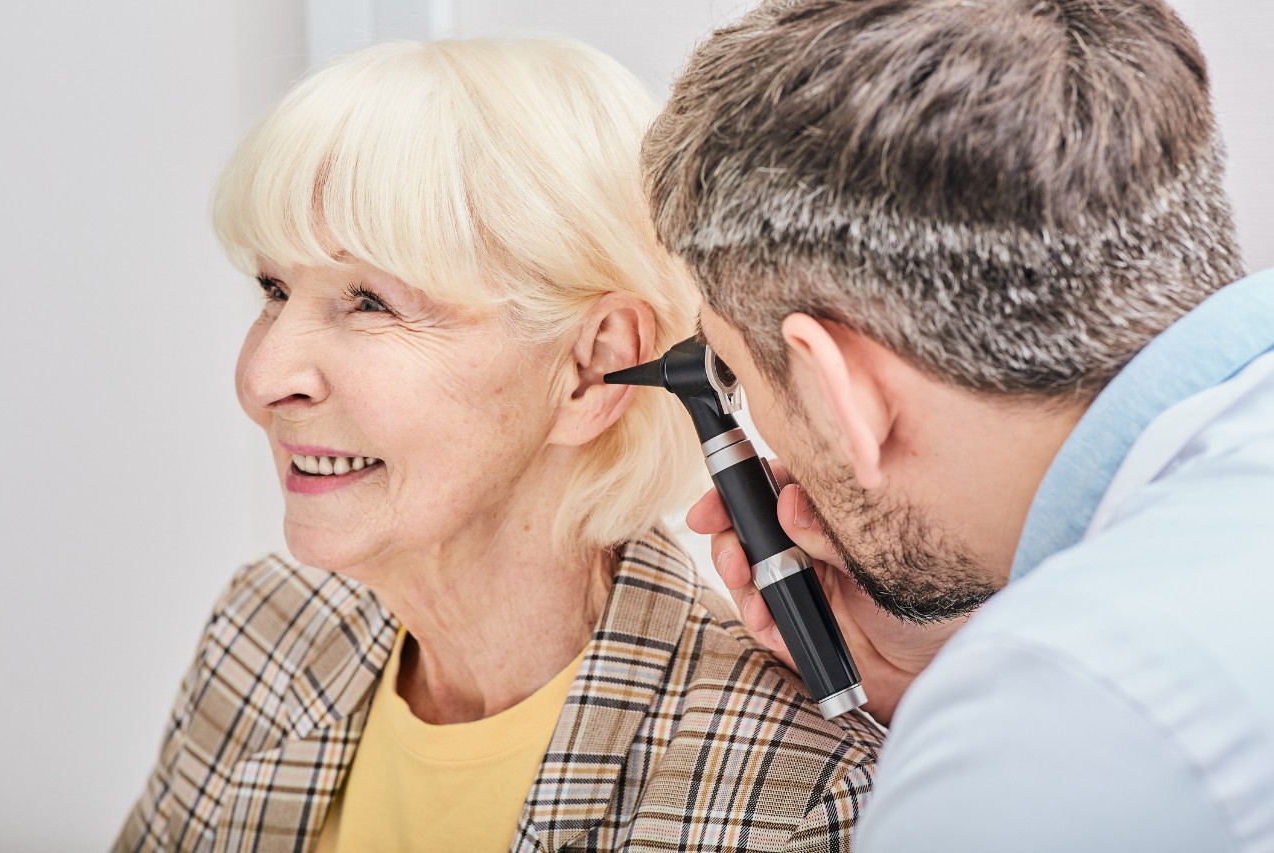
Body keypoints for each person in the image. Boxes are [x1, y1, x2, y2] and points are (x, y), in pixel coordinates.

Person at [114, 37, 882, 853]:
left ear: (594, 366)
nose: (264, 375)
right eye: (274, 290)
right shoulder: (264, 632)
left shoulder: (793, 794)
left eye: (369, 301)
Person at [641, 0, 1274, 850]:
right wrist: (935, 692)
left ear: (840, 394)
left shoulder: (1051, 727)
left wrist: (977, 726)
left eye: (734, 372)